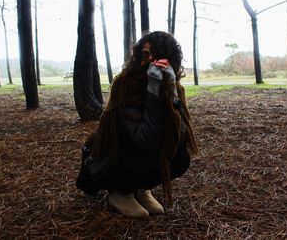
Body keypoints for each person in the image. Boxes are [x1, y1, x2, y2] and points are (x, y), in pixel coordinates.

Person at [76, 31, 198, 218]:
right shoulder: (125, 85)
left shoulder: (171, 87)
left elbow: (179, 137)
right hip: (112, 161)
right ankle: (120, 192)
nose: (150, 63)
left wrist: (171, 88)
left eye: (157, 56)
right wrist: (153, 89)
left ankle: (141, 188)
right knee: (149, 150)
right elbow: (145, 139)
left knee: (181, 158)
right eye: (145, 56)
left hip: (137, 152)